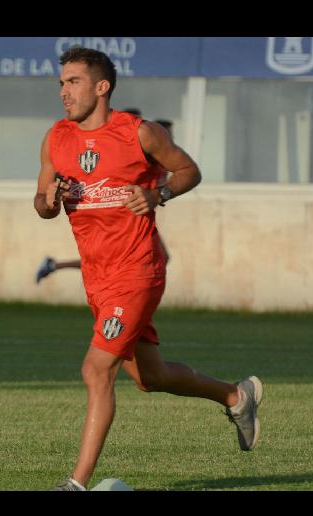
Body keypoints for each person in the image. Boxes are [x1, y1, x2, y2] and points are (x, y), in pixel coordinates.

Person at [33, 47, 263, 491]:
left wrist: (159, 195)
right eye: (61, 82)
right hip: (97, 278)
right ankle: (236, 396)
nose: (63, 91)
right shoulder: (55, 138)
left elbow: (188, 171)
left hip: (137, 271)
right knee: (149, 377)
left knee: (96, 369)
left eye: (73, 81)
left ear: (102, 87)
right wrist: (50, 201)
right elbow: (41, 204)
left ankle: (75, 484)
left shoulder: (139, 133)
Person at [35, 112, 172, 284]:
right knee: (110, 263)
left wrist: (157, 195)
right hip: (122, 221)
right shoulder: (145, 157)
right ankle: (56, 266)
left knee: (157, 259)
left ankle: (56, 266)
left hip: (140, 221)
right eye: (168, 134)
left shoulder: (163, 164)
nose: (171, 140)